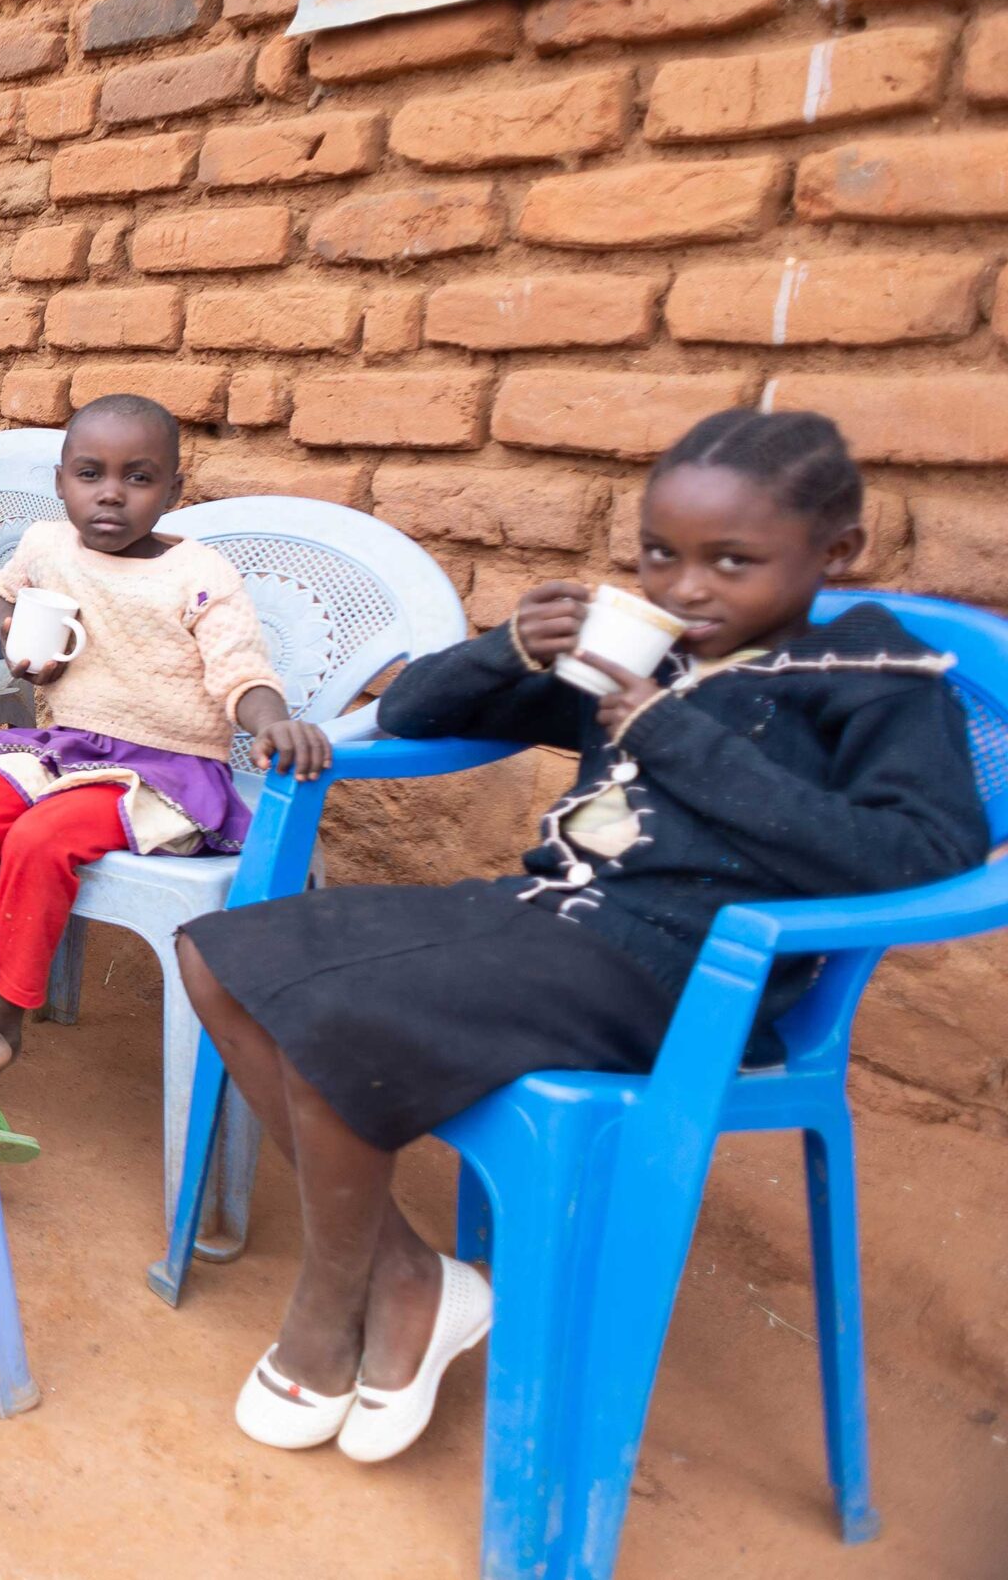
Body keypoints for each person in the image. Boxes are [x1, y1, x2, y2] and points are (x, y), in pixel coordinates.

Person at [173, 411, 988, 1464]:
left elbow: (915, 854)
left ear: (835, 555)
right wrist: (507, 645)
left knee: (332, 1020)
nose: (686, 590)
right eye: (660, 556)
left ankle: (331, 1308)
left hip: (684, 969)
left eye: (730, 562)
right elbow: (416, 714)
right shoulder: (661, 653)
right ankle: (409, 1278)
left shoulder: (875, 673)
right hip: (544, 920)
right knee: (218, 955)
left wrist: (659, 729)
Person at [0, 397, 328, 1157]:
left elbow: (241, 670)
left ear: (173, 491)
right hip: (62, 748)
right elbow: (9, 593)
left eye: (137, 477)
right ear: (62, 482)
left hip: (164, 769)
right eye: (91, 474)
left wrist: (272, 720)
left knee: (42, 840)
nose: (110, 493)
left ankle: (8, 1023)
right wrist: (17, 638)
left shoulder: (199, 573)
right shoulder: (49, 546)